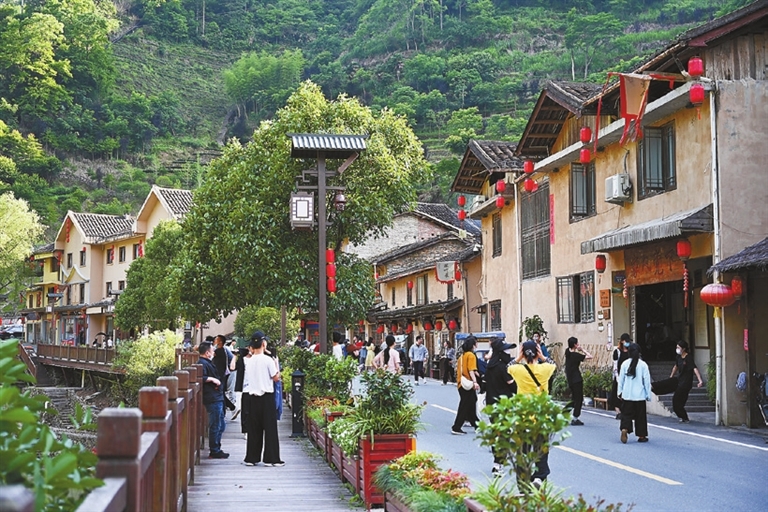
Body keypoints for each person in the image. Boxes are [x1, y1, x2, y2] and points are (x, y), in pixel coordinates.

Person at [507, 340, 557, 486]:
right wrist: (543, 357)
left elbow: (508, 366)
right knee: (541, 451)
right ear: (537, 352)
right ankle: (539, 477)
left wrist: (518, 357)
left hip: (523, 418)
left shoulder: (518, 370)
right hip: (541, 417)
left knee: (522, 453)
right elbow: (553, 364)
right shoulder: (545, 369)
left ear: (523, 354)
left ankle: (523, 483)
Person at [242, 331, 284, 467]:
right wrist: (276, 365)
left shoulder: (249, 361)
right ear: (264, 344)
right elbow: (276, 377)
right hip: (266, 396)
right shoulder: (268, 360)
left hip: (252, 396)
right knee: (270, 428)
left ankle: (251, 458)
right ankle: (271, 458)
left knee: (254, 428)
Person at [484, 338, 517, 474]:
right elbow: (512, 385)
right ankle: (499, 462)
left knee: (496, 431)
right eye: (506, 350)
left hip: (491, 402)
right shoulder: (503, 367)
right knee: (504, 433)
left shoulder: (490, 366)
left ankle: (497, 461)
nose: (508, 352)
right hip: (504, 404)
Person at [198, 341, 229, 459]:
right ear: (207, 353)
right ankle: (214, 450)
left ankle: (216, 447)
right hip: (212, 397)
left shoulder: (207, 363)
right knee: (216, 424)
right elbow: (200, 377)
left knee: (220, 424)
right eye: (212, 350)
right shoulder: (202, 363)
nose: (214, 352)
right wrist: (211, 379)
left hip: (216, 396)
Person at [617, 343, 652, 443]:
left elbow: (621, 380)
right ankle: (641, 436)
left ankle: (625, 428)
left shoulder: (625, 364)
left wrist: (619, 392)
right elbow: (647, 381)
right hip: (639, 396)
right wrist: (648, 395)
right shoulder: (643, 365)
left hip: (627, 395)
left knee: (626, 414)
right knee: (640, 417)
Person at [669, 340, 704, 423]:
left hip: (686, 383)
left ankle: (684, 417)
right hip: (680, 381)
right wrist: (671, 376)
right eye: (676, 347)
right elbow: (675, 367)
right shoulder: (678, 357)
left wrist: (700, 380)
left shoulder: (688, 358)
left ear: (683, 348)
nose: (677, 349)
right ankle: (683, 417)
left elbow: (694, 368)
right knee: (676, 401)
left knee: (678, 400)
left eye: (678, 347)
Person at [451, 336, 480, 435]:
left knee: (470, 403)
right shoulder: (471, 355)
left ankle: (477, 425)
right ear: (473, 345)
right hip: (467, 383)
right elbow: (471, 370)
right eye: (476, 343)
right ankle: (456, 427)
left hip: (461, 383)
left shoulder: (462, 356)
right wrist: (475, 382)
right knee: (465, 405)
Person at [565, 336, 593, 426]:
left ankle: (564, 414)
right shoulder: (575, 355)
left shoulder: (567, 352)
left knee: (574, 398)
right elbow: (590, 356)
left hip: (570, 379)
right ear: (575, 345)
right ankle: (575, 418)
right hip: (577, 379)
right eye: (577, 343)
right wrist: (582, 350)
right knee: (579, 399)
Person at [609, 334, 631, 419]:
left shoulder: (630, 351)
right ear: (622, 341)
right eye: (626, 341)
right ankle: (618, 412)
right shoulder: (617, 352)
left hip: (628, 376)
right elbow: (615, 365)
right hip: (619, 376)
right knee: (617, 394)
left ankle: (626, 411)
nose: (627, 343)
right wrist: (617, 377)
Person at [212, 334, 236, 413]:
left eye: (217, 339)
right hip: (222, 374)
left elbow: (211, 354)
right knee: (221, 393)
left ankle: (230, 408)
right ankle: (229, 408)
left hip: (220, 375)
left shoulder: (219, 351)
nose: (215, 340)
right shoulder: (222, 350)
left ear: (220, 342)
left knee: (220, 393)